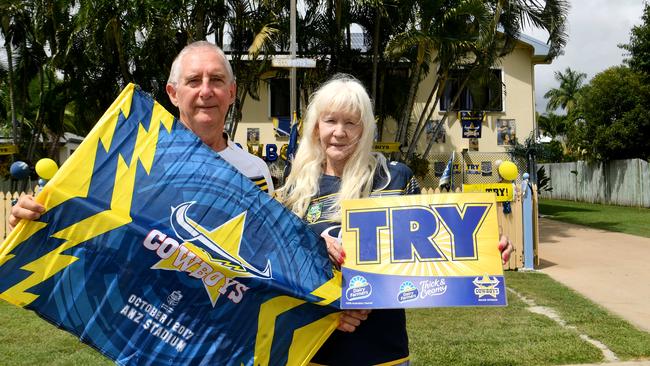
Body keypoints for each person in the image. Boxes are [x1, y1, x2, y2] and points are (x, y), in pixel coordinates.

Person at [276, 74, 512, 366]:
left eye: (351, 122)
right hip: (313, 350)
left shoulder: (395, 178)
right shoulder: (295, 187)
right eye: (330, 121)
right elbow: (275, 270)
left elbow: (433, 246)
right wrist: (313, 249)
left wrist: (484, 249)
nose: (339, 132)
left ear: (365, 130)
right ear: (315, 127)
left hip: (384, 351)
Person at [9, 41, 274, 227]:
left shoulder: (255, 171)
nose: (205, 91)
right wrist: (31, 219)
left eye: (216, 80)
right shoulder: (131, 162)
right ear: (173, 93)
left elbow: (267, 248)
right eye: (193, 81)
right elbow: (87, 228)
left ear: (231, 92)